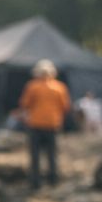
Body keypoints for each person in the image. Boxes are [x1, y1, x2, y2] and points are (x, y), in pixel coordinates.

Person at [18, 59, 69, 189]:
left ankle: (36, 183)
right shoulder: (59, 87)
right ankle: (53, 181)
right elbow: (65, 106)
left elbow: (25, 104)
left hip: (36, 124)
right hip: (53, 124)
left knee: (35, 155)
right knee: (52, 154)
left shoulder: (32, 86)